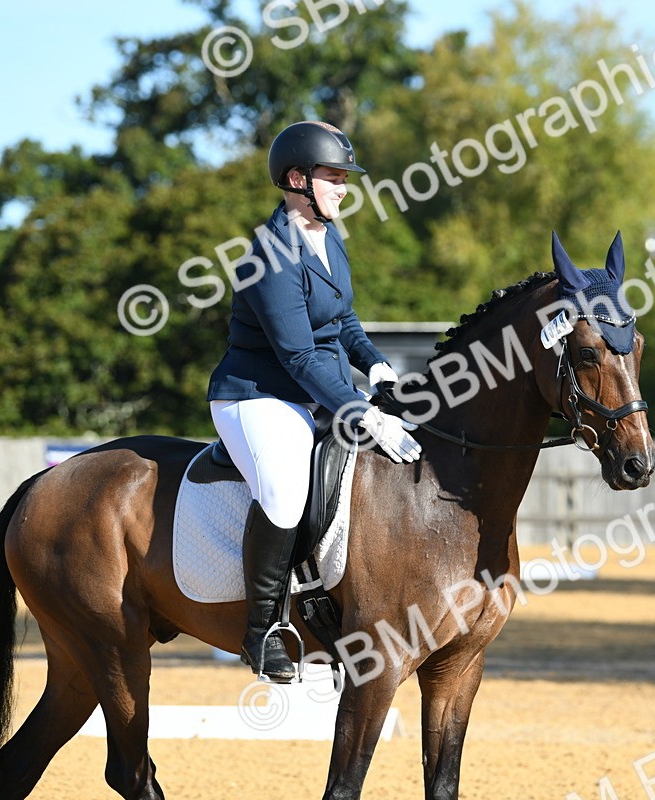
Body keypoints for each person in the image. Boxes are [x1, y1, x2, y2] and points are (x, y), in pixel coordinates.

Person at [207, 120, 421, 682]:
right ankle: (262, 631)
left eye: (345, 178)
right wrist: (363, 411)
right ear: (297, 179)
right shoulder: (270, 254)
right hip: (258, 394)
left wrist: (374, 363)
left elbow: (343, 319)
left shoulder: (328, 237)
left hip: (315, 390)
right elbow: (299, 356)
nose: (344, 187)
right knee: (284, 488)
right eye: (333, 177)